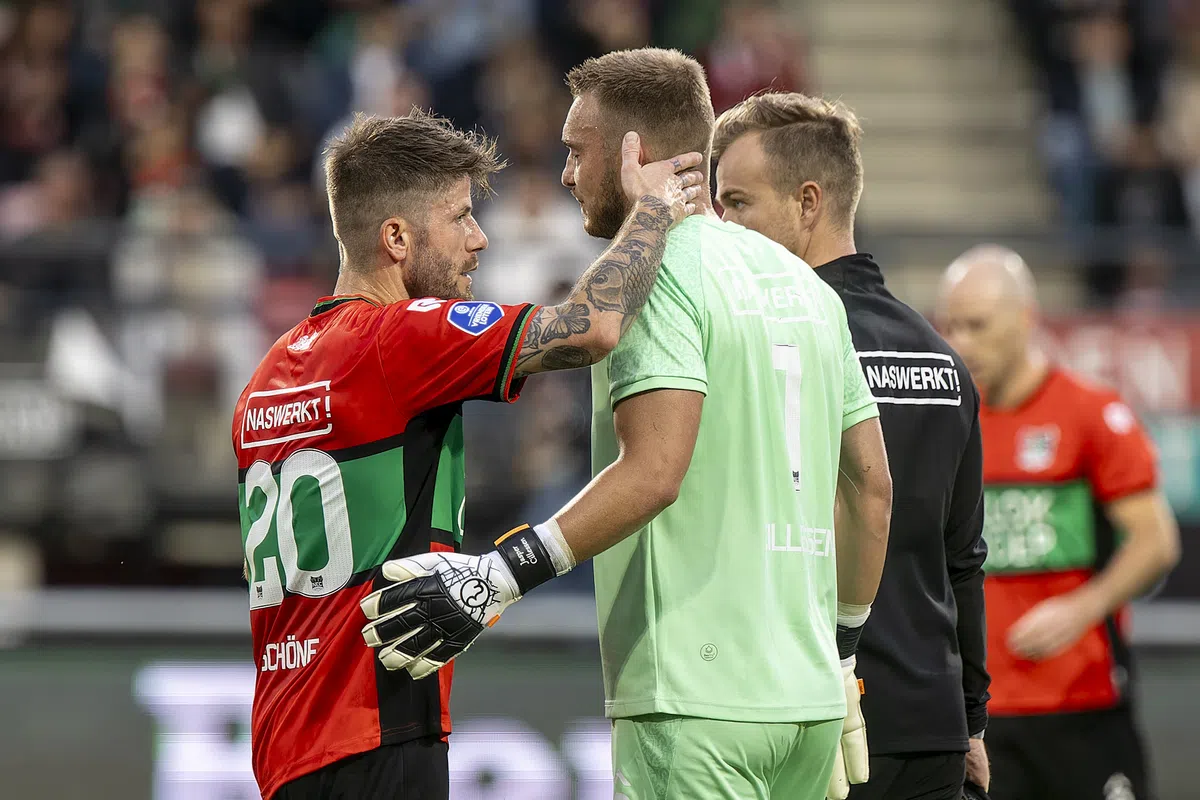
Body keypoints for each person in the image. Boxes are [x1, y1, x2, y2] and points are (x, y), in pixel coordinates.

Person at [360, 49, 894, 800]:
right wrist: (841, 653)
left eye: (577, 152)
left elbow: (654, 472)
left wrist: (502, 574)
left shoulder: (652, 272)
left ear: (632, 154)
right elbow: (871, 489)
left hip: (696, 701)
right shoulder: (804, 284)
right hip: (808, 705)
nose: (566, 174)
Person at [231, 108, 705, 800]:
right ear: (397, 238)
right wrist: (653, 212)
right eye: (460, 217)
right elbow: (593, 327)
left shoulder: (265, 380)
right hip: (378, 728)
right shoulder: (396, 340)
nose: (480, 239)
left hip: (285, 747)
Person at [711, 91, 992, 800]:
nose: (723, 225)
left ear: (808, 203)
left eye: (738, 203)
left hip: (816, 725)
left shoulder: (776, 346)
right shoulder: (942, 360)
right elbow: (963, 559)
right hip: (931, 727)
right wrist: (972, 721)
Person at [936, 245, 1181, 800]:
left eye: (977, 326)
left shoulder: (1090, 413)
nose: (960, 343)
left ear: (1026, 319)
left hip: (1083, 702)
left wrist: (1081, 608)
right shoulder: (950, 422)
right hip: (981, 714)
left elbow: (1156, 541)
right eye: (951, 326)